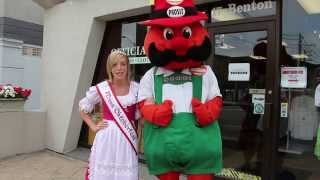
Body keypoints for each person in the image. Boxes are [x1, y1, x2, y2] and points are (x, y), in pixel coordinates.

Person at [79, 50, 140, 180]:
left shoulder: (136, 88)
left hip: (126, 139)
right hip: (106, 138)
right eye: (114, 65)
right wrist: (93, 126)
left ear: (128, 66)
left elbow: (141, 116)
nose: (119, 68)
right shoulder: (102, 88)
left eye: (123, 64)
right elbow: (83, 109)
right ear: (110, 68)